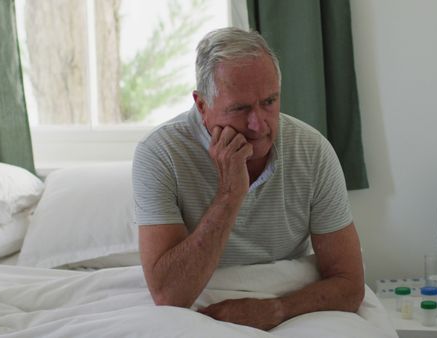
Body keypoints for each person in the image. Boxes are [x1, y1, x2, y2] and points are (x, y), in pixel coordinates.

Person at [132, 27, 364, 331]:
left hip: (286, 302)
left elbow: (350, 284)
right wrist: (230, 195)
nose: (258, 125)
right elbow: (169, 294)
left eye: (269, 102)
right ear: (202, 106)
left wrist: (277, 309)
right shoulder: (160, 154)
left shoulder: (312, 150)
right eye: (240, 109)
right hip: (197, 306)